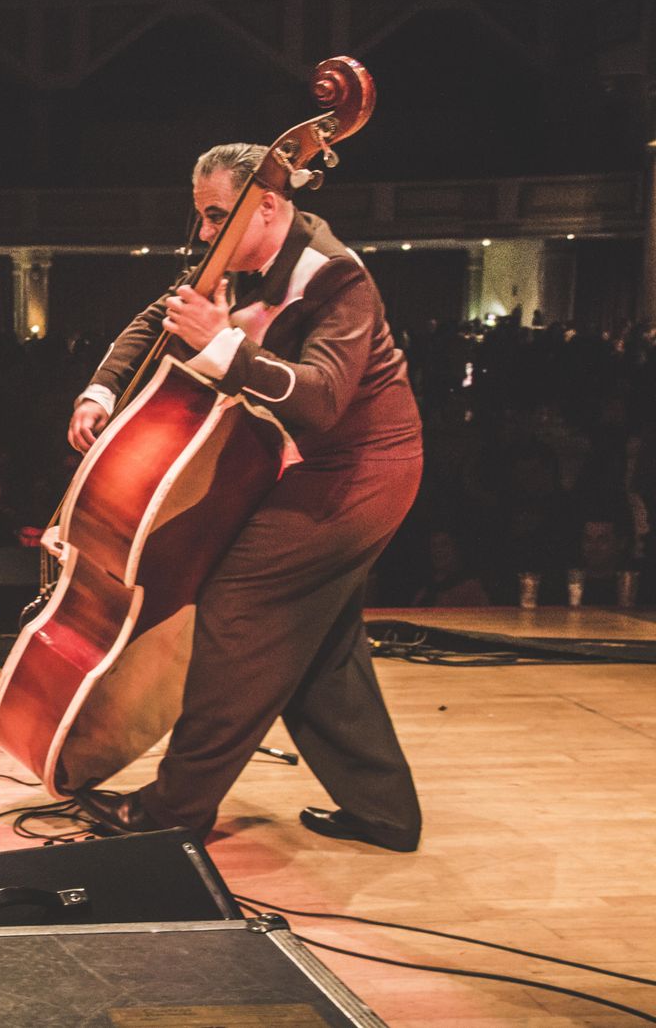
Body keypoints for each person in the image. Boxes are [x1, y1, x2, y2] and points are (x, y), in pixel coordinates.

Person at [65, 142, 424, 852]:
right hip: (312, 470)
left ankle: (173, 812)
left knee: (239, 610)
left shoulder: (337, 276)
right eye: (200, 217)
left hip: (361, 472)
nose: (204, 234)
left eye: (215, 216)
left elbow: (320, 404)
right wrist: (100, 388)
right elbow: (154, 321)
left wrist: (222, 344)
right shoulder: (234, 256)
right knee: (322, 647)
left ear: (266, 205)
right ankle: (384, 811)